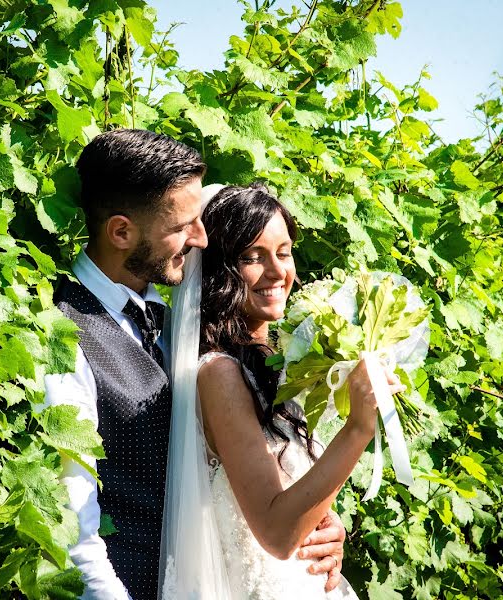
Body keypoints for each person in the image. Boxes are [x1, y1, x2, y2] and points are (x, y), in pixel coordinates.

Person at [44, 131, 347, 600]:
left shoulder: (179, 331)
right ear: (121, 232)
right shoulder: (64, 334)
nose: (201, 238)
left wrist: (322, 526)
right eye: (184, 225)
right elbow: (72, 529)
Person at [162, 183, 404, 599]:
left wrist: (327, 526)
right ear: (220, 269)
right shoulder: (219, 373)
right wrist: (358, 428)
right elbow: (275, 532)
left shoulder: (275, 365)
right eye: (251, 257)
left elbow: (289, 495)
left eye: (284, 252)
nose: (277, 272)